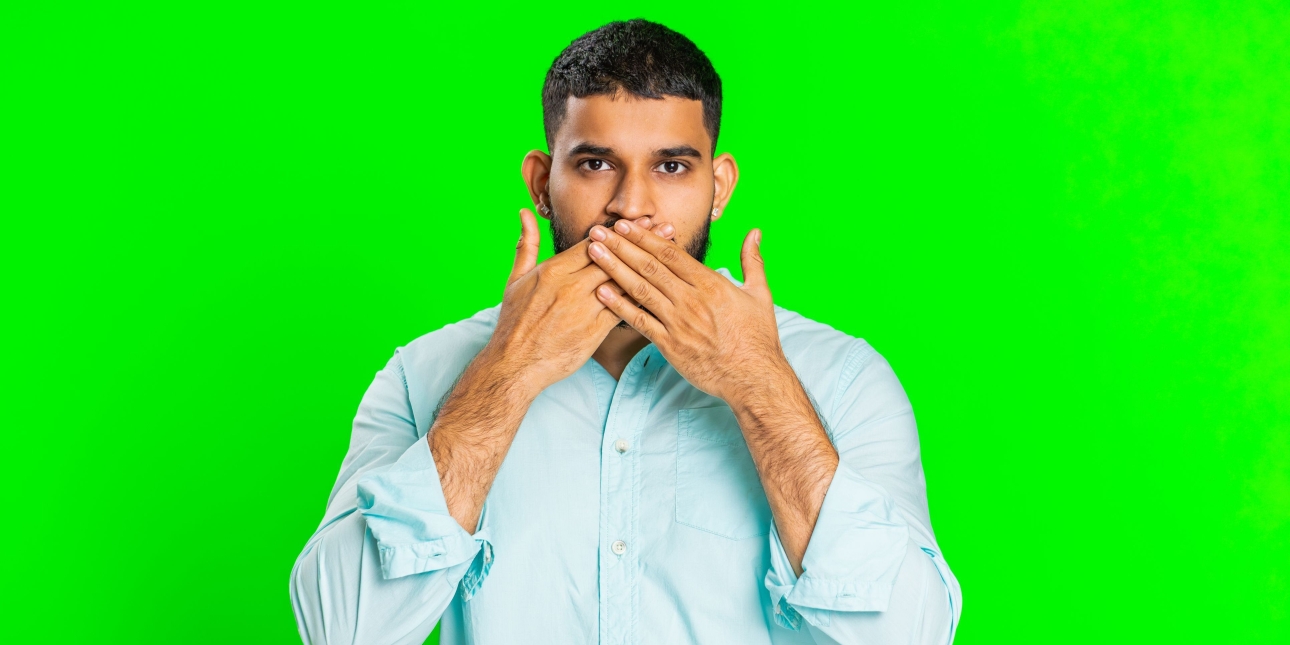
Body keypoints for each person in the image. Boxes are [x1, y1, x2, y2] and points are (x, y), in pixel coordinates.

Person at [290, 19, 961, 645]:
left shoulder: (841, 378)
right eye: (594, 164)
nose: (631, 206)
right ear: (541, 184)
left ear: (718, 186)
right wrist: (507, 376)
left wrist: (760, 387)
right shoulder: (424, 376)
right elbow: (341, 628)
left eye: (672, 166)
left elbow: (911, 631)